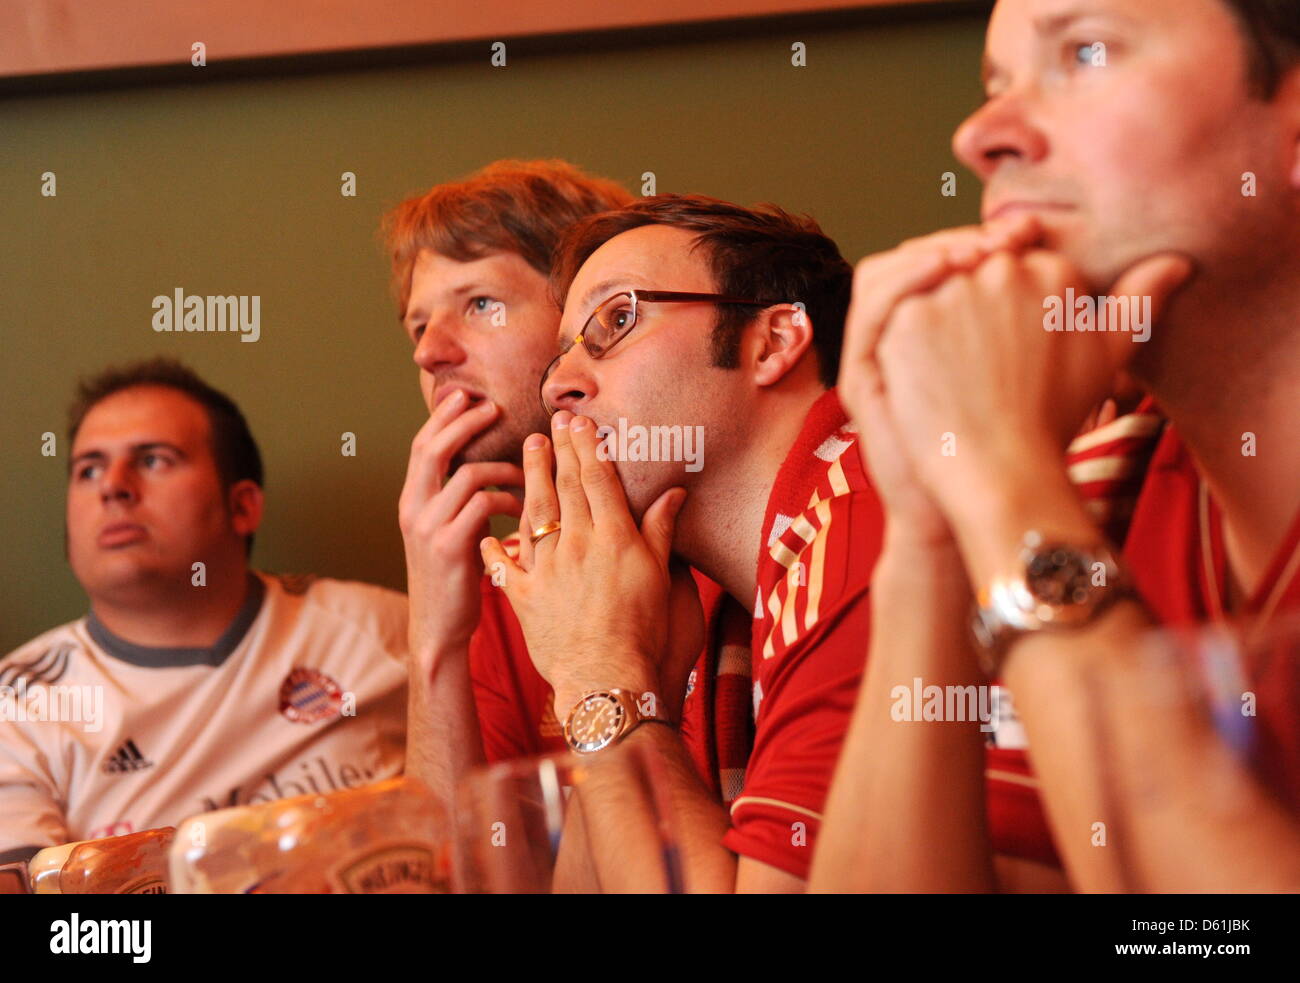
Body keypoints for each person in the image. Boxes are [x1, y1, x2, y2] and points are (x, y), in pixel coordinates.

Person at [813, 0, 1300, 892]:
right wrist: (931, 530)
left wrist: (1002, 474)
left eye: (1085, 52)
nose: (979, 135)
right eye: (995, 82)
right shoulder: (1099, 491)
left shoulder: (1039, 507)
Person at [0, 359, 408, 865]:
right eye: (89, 469)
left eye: (153, 460)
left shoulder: (384, 633)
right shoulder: (17, 705)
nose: (113, 487)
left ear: (243, 507)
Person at [386, 160, 639, 809]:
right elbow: (454, 875)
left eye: (480, 304)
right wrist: (433, 636)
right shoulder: (500, 588)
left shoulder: (712, 527)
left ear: (597, 316)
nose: (429, 351)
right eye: (419, 325)